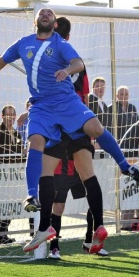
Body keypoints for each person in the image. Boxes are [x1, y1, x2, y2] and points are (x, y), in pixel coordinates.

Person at [0, 8, 139, 253]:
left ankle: (125, 167)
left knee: (95, 127)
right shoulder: (23, 44)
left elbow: (78, 63)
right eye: (42, 13)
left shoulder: (59, 43)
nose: (46, 15)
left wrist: (67, 71)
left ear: (55, 24)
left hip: (65, 100)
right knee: (35, 143)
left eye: (50, 14)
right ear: (35, 20)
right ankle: (34, 202)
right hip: (42, 106)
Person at [43, 16, 109, 259]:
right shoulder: (77, 63)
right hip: (74, 133)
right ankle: (55, 246)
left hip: (63, 135)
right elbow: (84, 97)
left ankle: (89, 240)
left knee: (64, 194)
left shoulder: (50, 63)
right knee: (64, 197)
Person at [0, 105, 25, 244]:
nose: (10, 118)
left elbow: (19, 154)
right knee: (2, 206)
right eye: (8, 115)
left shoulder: (16, 133)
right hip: (0, 176)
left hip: (13, 176)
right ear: (2, 116)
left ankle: (3, 233)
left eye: (13, 115)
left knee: (11, 206)